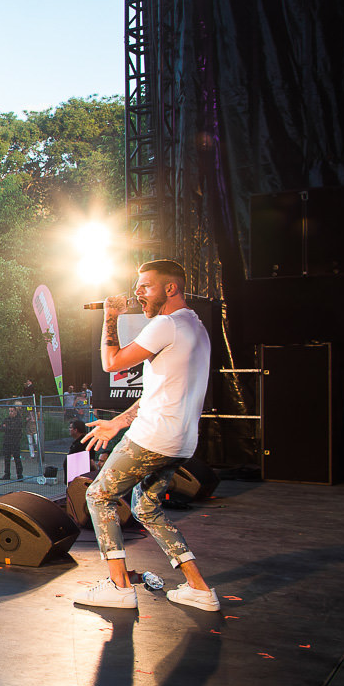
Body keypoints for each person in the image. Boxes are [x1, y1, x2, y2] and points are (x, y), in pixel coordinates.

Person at [77, 260, 218, 611]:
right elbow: (160, 392)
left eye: (146, 286)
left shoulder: (166, 324)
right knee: (146, 508)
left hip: (153, 438)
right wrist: (118, 422)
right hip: (181, 442)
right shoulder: (195, 326)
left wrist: (110, 317)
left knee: (98, 496)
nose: (138, 293)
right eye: (137, 286)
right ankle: (199, 588)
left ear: (170, 288)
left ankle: (118, 586)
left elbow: (112, 363)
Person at [0, 405, 25, 481]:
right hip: (7, 441)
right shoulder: (7, 419)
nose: (10, 413)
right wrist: (6, 427)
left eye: (12, 411)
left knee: (17, 458)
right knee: (6, 458)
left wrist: (6, 427)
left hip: (15, 441)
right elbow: (1, 428)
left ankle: (19, 475)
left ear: (15, 412)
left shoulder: (18, 420)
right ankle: (7, 474)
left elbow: (14, 429)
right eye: (9, 411)